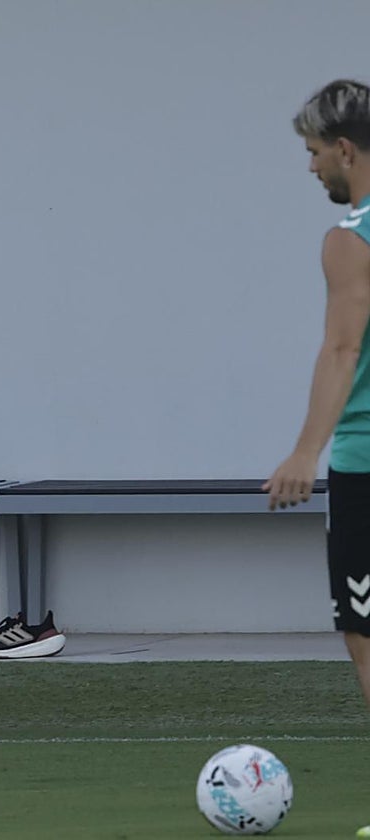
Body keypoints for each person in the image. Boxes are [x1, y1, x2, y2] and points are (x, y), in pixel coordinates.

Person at [263, 79, 370, 835]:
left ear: (344, 149)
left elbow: (342, 345)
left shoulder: (350, 235)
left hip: (365, 464)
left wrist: (305, 450)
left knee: (366, 636)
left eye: (311, 154)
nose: (310, 171)